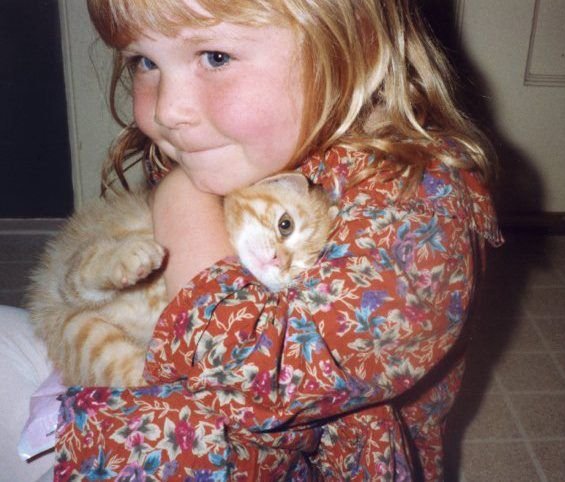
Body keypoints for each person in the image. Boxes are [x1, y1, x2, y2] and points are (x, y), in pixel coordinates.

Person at [15, 0, 504, 479]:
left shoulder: (423, 209)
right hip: (131, 384)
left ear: (352, 42)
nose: (167, 110)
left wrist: (181, 198)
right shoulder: (240, 147)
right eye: (145, 62)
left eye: (216, 57)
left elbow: (246, 373)